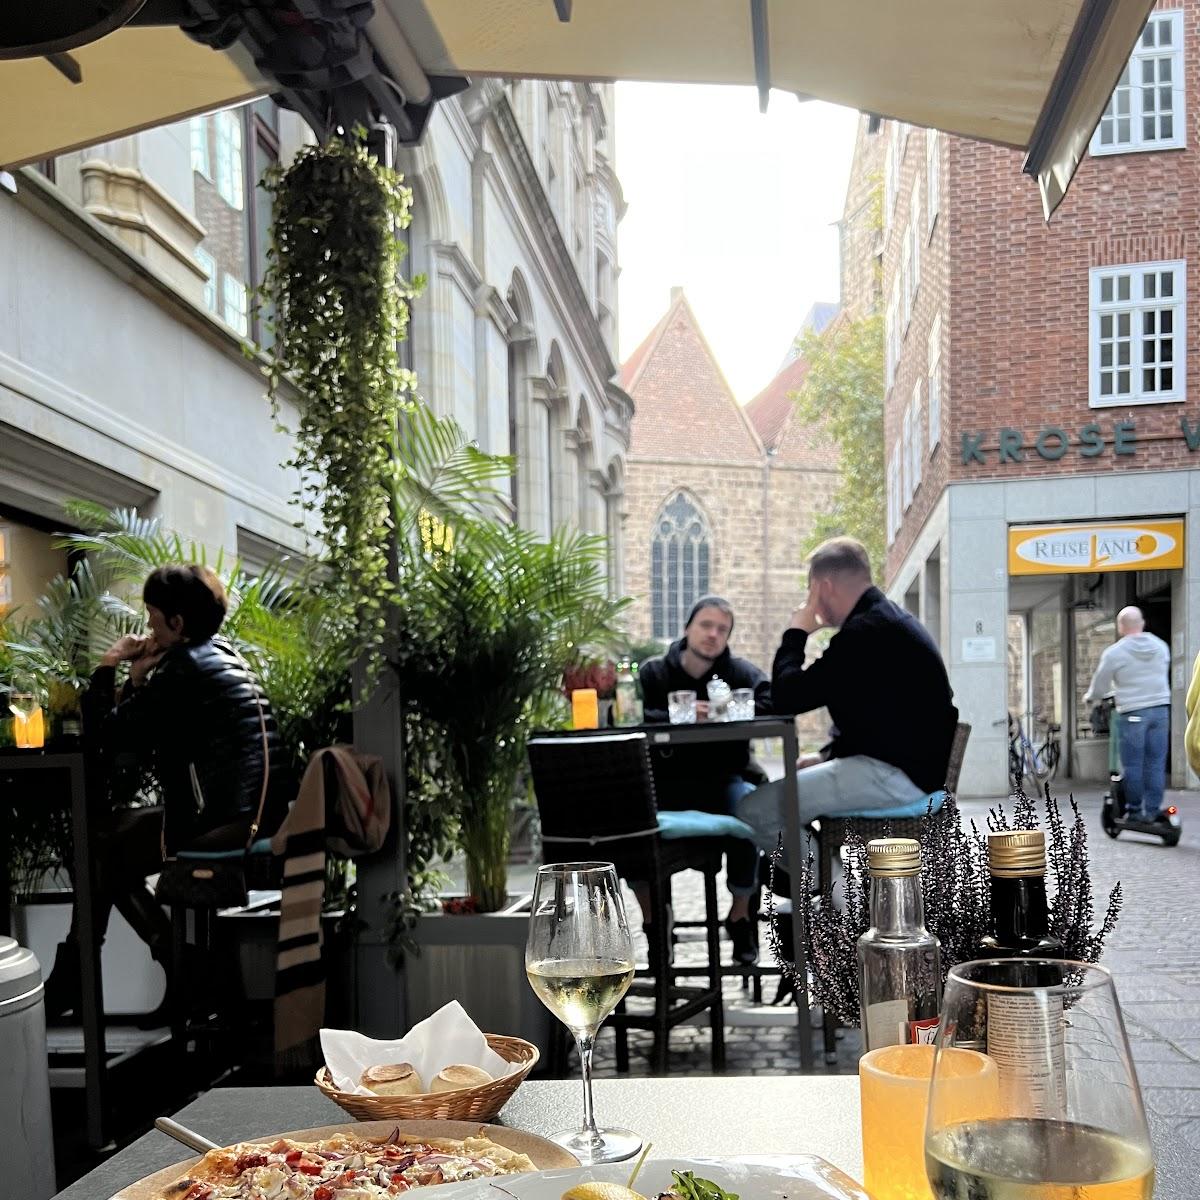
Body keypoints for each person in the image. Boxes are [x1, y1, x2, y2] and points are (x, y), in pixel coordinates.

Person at [42, 564, 289, 1020]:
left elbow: (107, 738)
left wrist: (109, 663)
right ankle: (178, 973)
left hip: (219, 825)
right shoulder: (221, 656)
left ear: (176, 623)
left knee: (98, 848)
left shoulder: (185, 667)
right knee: (103, 852)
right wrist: (137, 680)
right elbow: (144, 732)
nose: (147, 627)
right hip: (251, 816)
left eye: (153, 617)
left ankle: (164, 972)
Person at [738, 537, 958, 851]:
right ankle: (832, 890)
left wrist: (795, 632)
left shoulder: (864, 633)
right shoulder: (886, 622)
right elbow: (880, 720)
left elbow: (788, 698)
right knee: (778, 804)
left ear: (822, 586)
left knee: (754, 811)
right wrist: (827, 756)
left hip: (898, 778)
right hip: (912, 770)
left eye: (809, 589)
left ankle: (836, 898)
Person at [639, 596, 772, 964]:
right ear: (688, 627)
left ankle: (741, 915)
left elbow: (772, 702)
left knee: (751, 808)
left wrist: (722, 710)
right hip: (667, 784)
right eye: (706, 625)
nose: (713, 635)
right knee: (632, 819)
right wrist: (677, 713)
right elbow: (638, 714)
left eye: (722, 629)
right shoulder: (654, 672)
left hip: (724, 780)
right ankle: (655, 922)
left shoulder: (741, 672)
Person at [1084, 606, 1171, 821]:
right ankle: (1152, 810)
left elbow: (1100, 684)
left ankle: (1134, 811)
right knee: (1155, 763)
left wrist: (1092, 697)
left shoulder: (1115, 652)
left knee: (1133, 765)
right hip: (1160, 710)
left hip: (1132, 713)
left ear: (1121, 627)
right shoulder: (1161, 647)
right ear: (1142, 623)